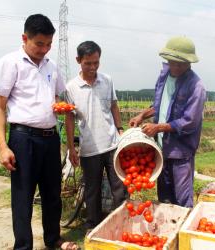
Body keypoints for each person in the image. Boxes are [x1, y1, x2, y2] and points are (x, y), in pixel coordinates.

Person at [0, 14, 78, 250]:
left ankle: (53, 239)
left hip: (50, 138)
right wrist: (3, 146)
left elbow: (58, 96)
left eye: (49, 44)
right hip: (23, 138)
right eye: (39, 43)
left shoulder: (51, 66)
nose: (45, 49)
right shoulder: (10, 63)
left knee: (52, 194)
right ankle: (23, 246)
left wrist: (61, 106)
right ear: (24, 38)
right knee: (23, 197)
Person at [129, 36, 206, 208]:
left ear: (189, 63)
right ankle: (167, 231)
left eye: (181, 64)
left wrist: (158, 127)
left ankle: (182, 233)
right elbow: (160, 105)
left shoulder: (196, 86)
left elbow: (189, 121)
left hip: (181, 151)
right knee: (164, 195)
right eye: (173, 62)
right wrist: (142, 115)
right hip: (161, 147)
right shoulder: (164, 76)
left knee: (182, 198)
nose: (176, 67)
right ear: (167, 60)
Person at [65, 41, 127, 229]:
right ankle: (93, 224)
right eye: (88, 63)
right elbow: (69, 118)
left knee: (119, 187)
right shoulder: (71, 87)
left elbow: (114, 105)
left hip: (112, 144)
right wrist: (71, 148)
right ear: (78, 61)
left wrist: (120, 128)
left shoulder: (107, 80)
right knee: (92, 189)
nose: (92, 67)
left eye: (96, 63)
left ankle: (121, 222)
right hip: (89, 147)